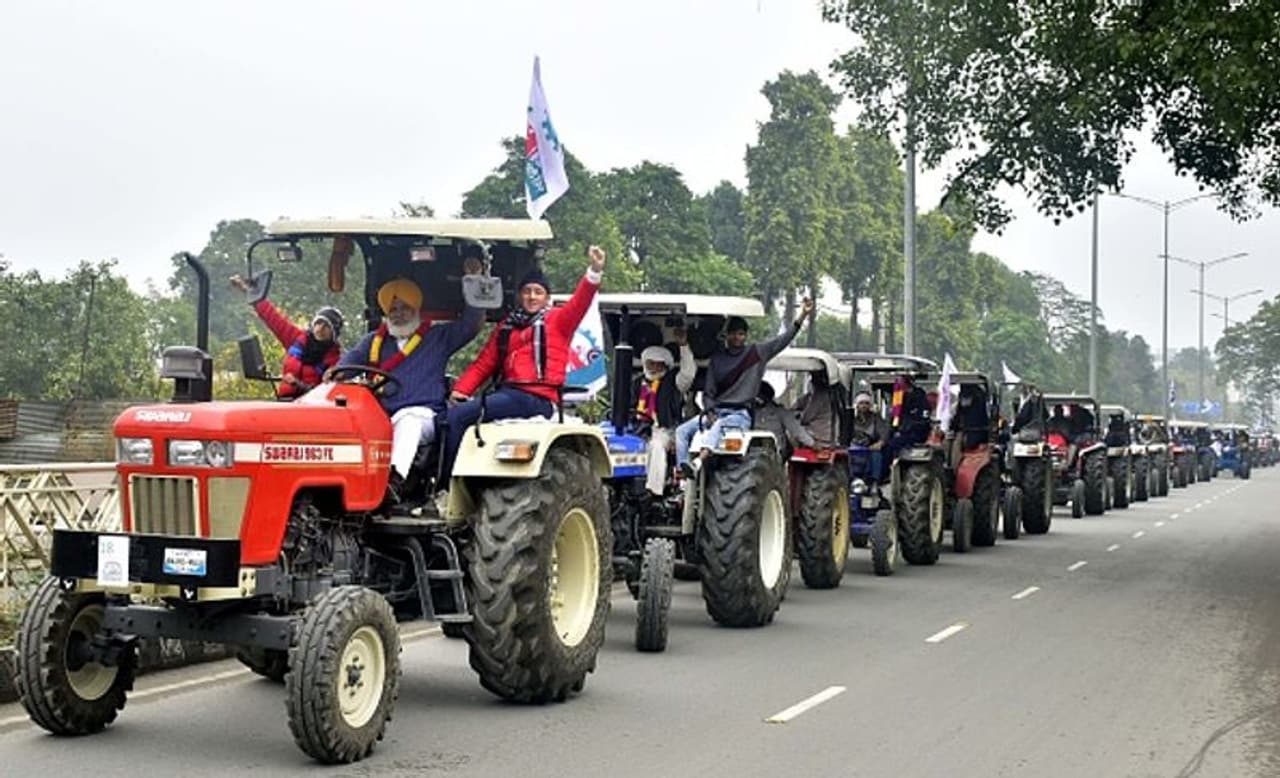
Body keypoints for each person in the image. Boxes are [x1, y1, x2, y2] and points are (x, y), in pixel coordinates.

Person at [442, 245, 608, 480]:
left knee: (459, 417)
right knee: (445, 417)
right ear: (520, 295)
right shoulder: (507, 327)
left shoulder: (558, 320)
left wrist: (594, 272)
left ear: (546, 297)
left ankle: (446, 484)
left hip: (537, 398)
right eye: (527, 291)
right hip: (509, 395)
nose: (532, 296)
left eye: (538, 292)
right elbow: (483, 364)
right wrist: (460, 391)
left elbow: (580, 302)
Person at [335, 255, 485, 504]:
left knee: (408, 420)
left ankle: (393, 484)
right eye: (393, 309)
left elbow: (471, 324)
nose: (399, 314)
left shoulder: (437, 337)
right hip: (379, 417)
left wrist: (475, 280)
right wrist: (334, 375)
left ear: (416, 309)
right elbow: (345, 367)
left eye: (405, 308)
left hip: (425, 416)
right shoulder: (374, 340)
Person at [674, 298, 814, 475]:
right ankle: (681, 473)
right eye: (733, 333)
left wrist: (802, 315)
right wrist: (709, 411)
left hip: (740, 415)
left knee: (718, 427)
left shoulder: (756, 353)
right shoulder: (717, 359)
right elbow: (708, 393)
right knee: (681, 431)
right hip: (716, 412)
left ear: (746, 336)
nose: (737, 337)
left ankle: (698, 462)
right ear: (726, 336)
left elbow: (783, 340)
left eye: (741, 334)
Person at [230, 274, 344, 399]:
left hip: (314, 410)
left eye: (327, 326)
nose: (320, 329)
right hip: (285, 404)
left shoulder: (335, 360)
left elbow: (328, 393)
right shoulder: (298, 339)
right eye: (318, 323)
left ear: (334, 334)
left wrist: (299, 385)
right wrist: (251, 292)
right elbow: (273, 318)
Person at [633, 331, 696, 496]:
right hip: (638, 429)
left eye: (658, 364)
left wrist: (683, 346)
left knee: (657, 446)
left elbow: (688, 373)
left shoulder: (673, 382)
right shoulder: (636, 383)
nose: (654, 367)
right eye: (651, 363)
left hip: (665, 430)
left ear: (665, 366)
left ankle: (653, 491)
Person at [754, 381, 815, 457]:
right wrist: (813, 444)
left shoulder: (747, 412)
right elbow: (797, 431)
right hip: (776, 452)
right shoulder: (780, 411)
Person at [794, 371, 837, 449]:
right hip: (824, 435)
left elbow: (806, 418)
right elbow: (799, 403)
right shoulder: (826, 392)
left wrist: (798, 414)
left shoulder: (821, 394)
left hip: (820, 438)